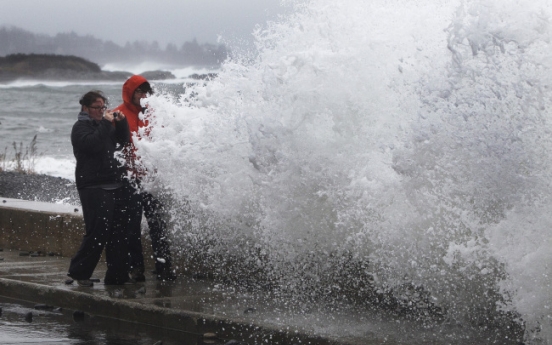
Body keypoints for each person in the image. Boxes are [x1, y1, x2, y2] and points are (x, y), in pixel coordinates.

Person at [68, 90, 133, 287]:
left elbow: (123, 141)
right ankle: (79, 273)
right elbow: (92, 145)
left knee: (119, 231)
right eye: (97, 108)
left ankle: (117, 275)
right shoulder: (80, 128)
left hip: (114, 182)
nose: (101, 111)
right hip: (92, 186)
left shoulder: (105, 127)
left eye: (103, 107)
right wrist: (106, 123)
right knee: (98, 231)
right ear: (85, 108)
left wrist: (121, 123)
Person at [115, 75, 176, 282]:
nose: (143, 95)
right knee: (131, 225)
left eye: (146, 92)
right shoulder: (118, 115)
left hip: (151, 179)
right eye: (139, 91)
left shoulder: (153, 114)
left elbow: (165, 141)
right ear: (130, 93)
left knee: (157, 224)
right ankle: (136, 268)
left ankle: (164, 266)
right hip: (130, 179)